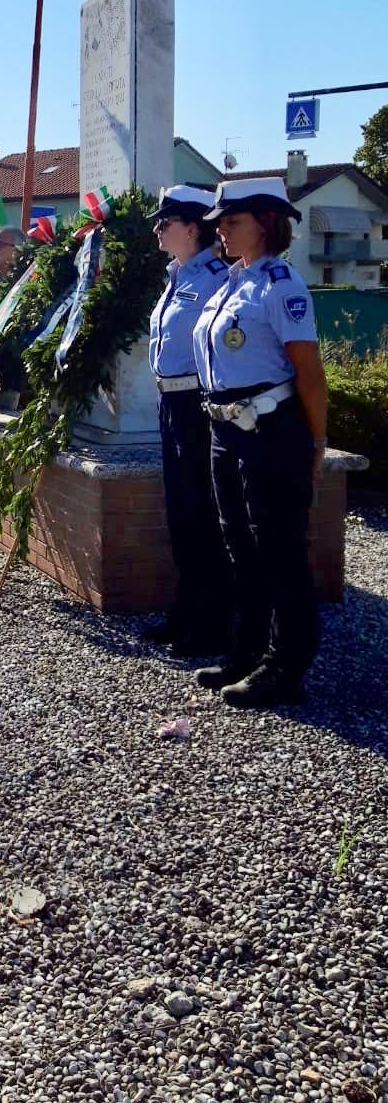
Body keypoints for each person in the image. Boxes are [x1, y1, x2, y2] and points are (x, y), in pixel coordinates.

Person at [190, 176, 327, 709]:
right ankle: (246, 652)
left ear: (266, 223)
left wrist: (316, 442)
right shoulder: (232, 282)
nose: (221, 229)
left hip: (272, 431)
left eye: (233, 220)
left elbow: (310, 375)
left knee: (279, 551)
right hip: (226, 430)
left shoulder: (281, 286)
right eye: (219, 221)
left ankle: (284, 667)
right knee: (240, 547)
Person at [146, 187, 232, 655]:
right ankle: (185, 611)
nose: (158, 230)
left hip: (198, 406)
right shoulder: (175, 277)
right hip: (170, 405)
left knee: (205, 515)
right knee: (181, 514)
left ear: (192, 228)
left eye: (166, 223)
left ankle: (213, 622)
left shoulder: (217, 277)